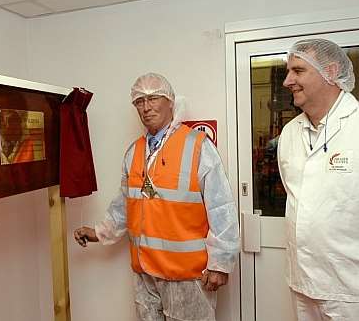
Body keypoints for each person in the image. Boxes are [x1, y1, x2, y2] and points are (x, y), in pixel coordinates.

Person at [74, 73, 239, 321]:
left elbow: (221, 206)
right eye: (139, 101)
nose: (146, 107)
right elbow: (125, 204)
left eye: (153, 98)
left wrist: (220, 263)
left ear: (170, 101)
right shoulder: (134, 152)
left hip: (186, 275)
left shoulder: (197, 146)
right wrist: (100, 232)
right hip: (145, 272)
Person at [278, 39, 359, 320]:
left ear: (331, 70)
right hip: (302, 283)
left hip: (353, 290)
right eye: (288, 71)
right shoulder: (289, 133)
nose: (288, 81)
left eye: (298, 71)